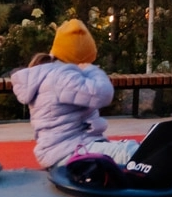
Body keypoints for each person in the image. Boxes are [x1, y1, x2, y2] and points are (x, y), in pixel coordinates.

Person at [9, 19, 118, 169]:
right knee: (131, 154)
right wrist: (92, 70)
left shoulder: (55, 73)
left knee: (133, 152)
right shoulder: (63, 77)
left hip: (71, 147)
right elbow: (103, 94)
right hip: (68, 151)